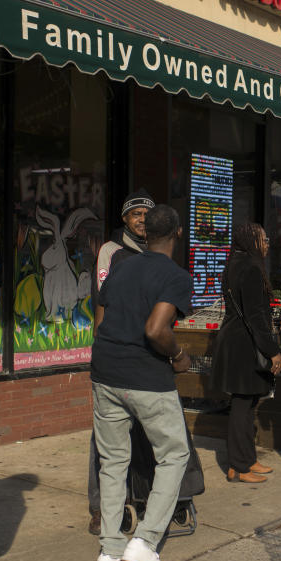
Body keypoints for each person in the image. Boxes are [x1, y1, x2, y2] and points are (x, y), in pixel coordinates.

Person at [90, 204, 193, 561]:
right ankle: (145, 543)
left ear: (144, 232)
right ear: (177, 234)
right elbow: (156, 329)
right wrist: (180, 355)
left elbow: (100, 321)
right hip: (146, 377)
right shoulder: (175, 276)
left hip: (105, 371)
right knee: (174, 455)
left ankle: (110, 552)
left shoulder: (119, 266)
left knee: (113, 461)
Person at [87, 188, 155, 534]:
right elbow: (103, 301)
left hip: (145, 356)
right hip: (114, 354)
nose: (142, 220)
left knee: (144, 432)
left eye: (147, 214)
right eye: (135, 214)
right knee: (107, 434)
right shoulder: (111, 252)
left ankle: (143, 496)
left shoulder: (157, 252)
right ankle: (100, 508)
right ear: (125, 220)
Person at [211, 223, 281, 484]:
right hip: (245, 346)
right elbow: (255, 316)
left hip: (235, 341)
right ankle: (238, 467)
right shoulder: (251, 268)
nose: (267, 244)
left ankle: (248, 459)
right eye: (263, 239)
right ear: (250, 241)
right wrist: (273, 351)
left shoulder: (234, 263)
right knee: (243, 405)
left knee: (247, 403)